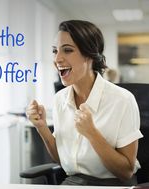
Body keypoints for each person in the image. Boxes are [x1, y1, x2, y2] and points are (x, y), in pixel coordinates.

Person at [26, 20, 143, 186]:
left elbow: (126, 171)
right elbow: (63, 161)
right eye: (54, 51)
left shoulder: (122, 100)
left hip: (113, 184)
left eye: (67, 50)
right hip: (73, 183)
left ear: (89, 54)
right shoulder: (60, 99)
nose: (57, 58)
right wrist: (42, 127)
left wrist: (92, 133)